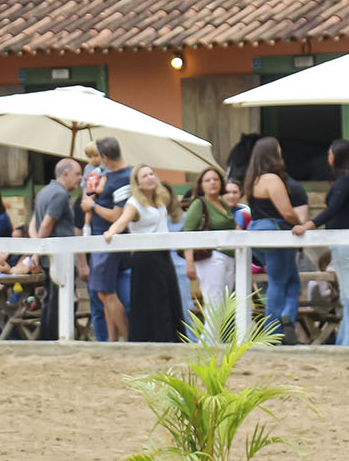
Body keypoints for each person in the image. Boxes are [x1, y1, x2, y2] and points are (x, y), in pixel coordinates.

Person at [292, 138, 349, 346]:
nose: (328, 157)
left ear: (336, 155)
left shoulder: (344, 180)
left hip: (345, 245)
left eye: (330, 153)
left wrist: (308, 225)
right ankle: (343, 341)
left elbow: (333, 209)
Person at [103, 164, 185, 342]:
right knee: (152, 301)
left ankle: (171, 339)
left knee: (168, 297)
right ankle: (153, 339)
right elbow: (122, 221)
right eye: (144, 176)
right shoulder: (134, 204)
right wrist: (111, 232)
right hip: (146, 258)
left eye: (151, 174)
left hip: (163, 256)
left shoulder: (160, 199)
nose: (150, 178)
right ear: (137, 183)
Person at [245, 137, 308, 344]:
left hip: (257, 230)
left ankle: (287, 317)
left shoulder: (253, 179)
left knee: (290, 280)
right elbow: (286, 211)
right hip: (275, 230)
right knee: (279, 282)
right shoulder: (272, 179)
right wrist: (300, 223)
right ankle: (273, 328)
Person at [81, 137, 132, 342]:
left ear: (104, 157)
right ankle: (112, 340)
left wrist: (91, 207)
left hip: (108, 241)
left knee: (105, 293)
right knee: (106, 294)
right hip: (104, 240)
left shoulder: (122, 177)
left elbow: (116, 216)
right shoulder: (111, 175)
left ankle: (127, 339)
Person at [31, 158, 82, 339]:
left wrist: (37, 248)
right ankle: (54, 337)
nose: (80, 178)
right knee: (59, 301)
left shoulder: (43, 192)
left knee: (50, 299)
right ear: (65, 174)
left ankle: (46, 337)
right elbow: (46, 224)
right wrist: (38, 250)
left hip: (47, 255)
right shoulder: (60, 195)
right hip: (59, 256)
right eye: (77, 174)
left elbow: (33, 224)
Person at [182, 166, 237, 321]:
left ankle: (214, 343)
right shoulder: (199, 204)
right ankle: (208, 344)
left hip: (229, 256)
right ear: (201, 185)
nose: (212, 183)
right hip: (211, 258)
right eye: (207, 180)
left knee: (224, 307)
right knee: (214, 305)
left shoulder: (224, 204)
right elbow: (187, 233)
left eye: (215, 179)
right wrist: (189, 263)